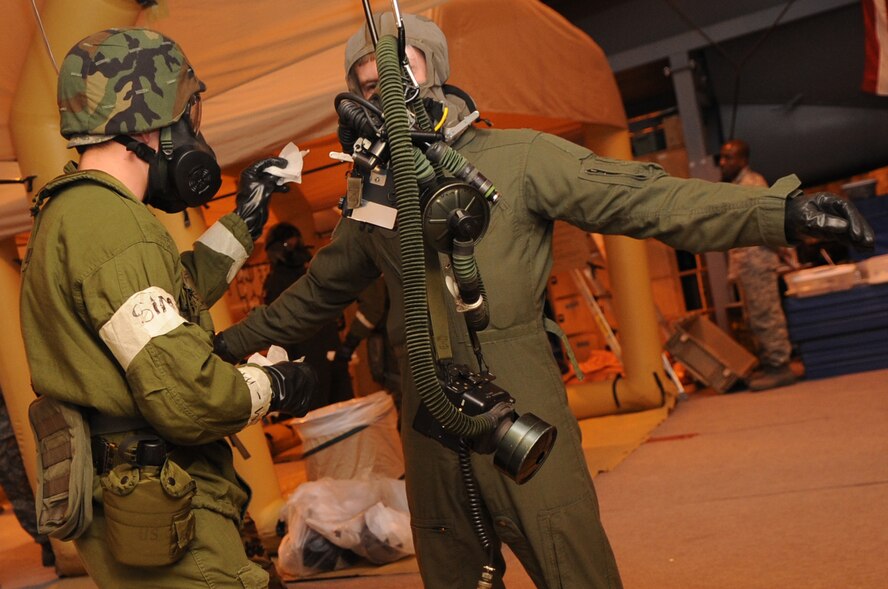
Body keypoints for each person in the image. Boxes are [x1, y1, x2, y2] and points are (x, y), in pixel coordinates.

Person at [214, 14, 875, 589]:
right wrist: (217, 348)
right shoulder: (373, 199)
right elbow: (313, 294)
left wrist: (780, 212)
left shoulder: (518, 159)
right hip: (429, 423)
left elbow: (648, 199)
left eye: (397, 75)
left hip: (518, 392)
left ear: (435, 74)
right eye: (367, 87)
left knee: (572, 563)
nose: (385, 94)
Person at [19, 28, 318, 588]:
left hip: (138, 494)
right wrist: (274, 385)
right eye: (186, 116)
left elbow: (170, 293)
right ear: (154, 126)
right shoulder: (109, 226)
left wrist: (245, 219)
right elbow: (188, 397)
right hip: (162, 502)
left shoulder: (79, 211)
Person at [719, 139, 798, 390]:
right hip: (747, 263)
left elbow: (768, 223)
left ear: (743, 160)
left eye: (729, 157)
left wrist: (785, 254)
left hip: (758, 261)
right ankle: (769, 363)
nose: (723, 162)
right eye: (722, 157)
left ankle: (779, 367)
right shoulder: (737, 186)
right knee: (755, 316)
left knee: (766, 313)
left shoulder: (753, 184)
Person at [263, 222, 354, 408]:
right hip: (327, 349)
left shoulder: (277, 282)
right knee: (343, 409)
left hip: (308, 358)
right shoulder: (311, 272)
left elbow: (278, 328)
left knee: (322, 415)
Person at [0, 392, 54, 567]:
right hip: (8, 433)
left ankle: (52, 543)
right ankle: (47, 543)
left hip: (16, 421)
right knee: (20, 490)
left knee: (33, 483)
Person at [336, 278, 403, 409]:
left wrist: (350, 343)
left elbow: (372, 307)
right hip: (404, 336)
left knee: (399, 392)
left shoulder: (370, 265)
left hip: (391, 342)